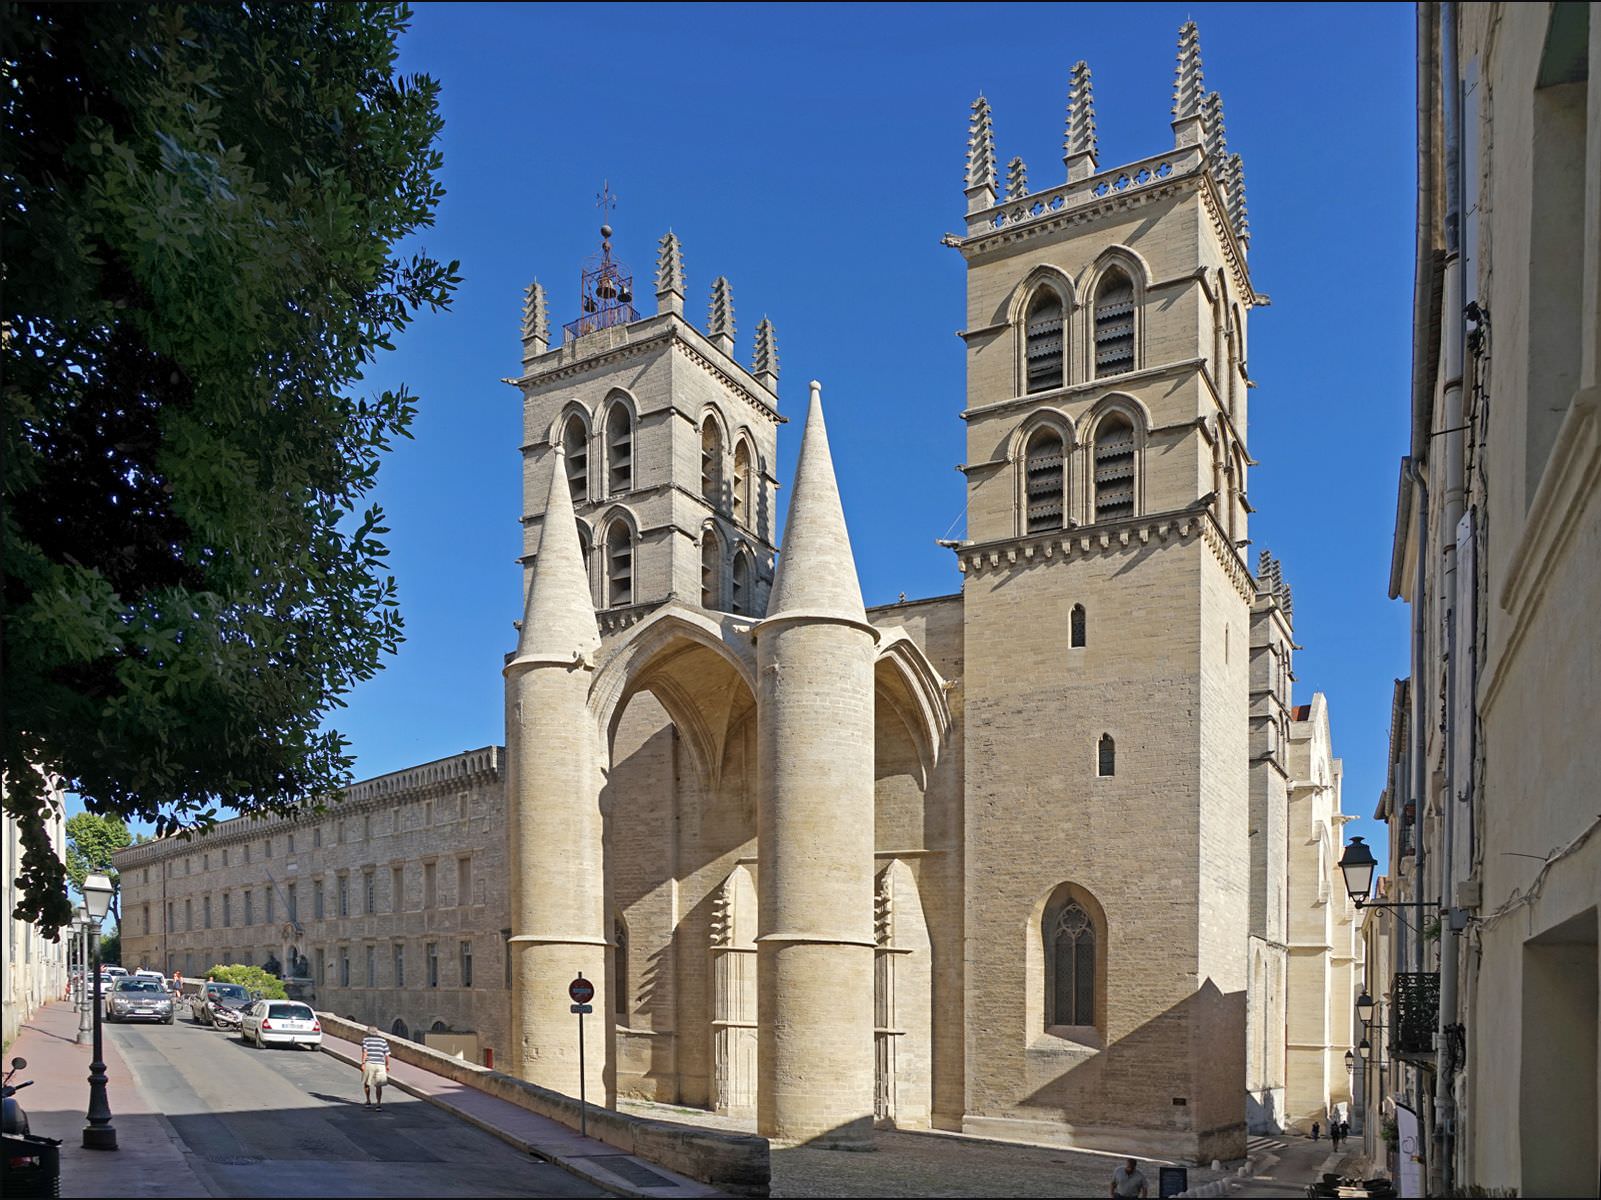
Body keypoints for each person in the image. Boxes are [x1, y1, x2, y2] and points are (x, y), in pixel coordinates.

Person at [361, 1025, 391, 1111]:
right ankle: (378, 1104)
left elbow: (365, 1052)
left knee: (367, 1083)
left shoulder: (365, 1040)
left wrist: (363, 1063)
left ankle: (368, 1100)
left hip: (369, 1063)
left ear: (368, 1032)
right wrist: (387, 1065)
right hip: (380, 1064)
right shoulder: (383, 1041)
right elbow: (387, 1054)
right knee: (379, 1085)